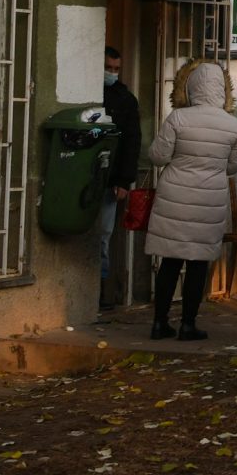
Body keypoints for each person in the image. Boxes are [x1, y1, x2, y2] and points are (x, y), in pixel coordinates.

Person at [143, 60, 237, 341]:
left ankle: (159, 323)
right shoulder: (233, 125)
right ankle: (188, 324)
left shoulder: (178, 118)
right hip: (209, 199)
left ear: (191, 87)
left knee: (171, 261)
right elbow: (234, 167)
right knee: (198, 263)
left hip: (174, 196)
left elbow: (158, 156)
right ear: (222, 90)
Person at [97, 45, 143, 315]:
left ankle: (102, 292)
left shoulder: (125, 99)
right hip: (89, 177)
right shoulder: (89, 92)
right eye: (108, 68)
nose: (112, 73)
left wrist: (124, 181)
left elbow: (131, 142)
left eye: (116, 69)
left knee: (103, 236)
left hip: (111, 179)